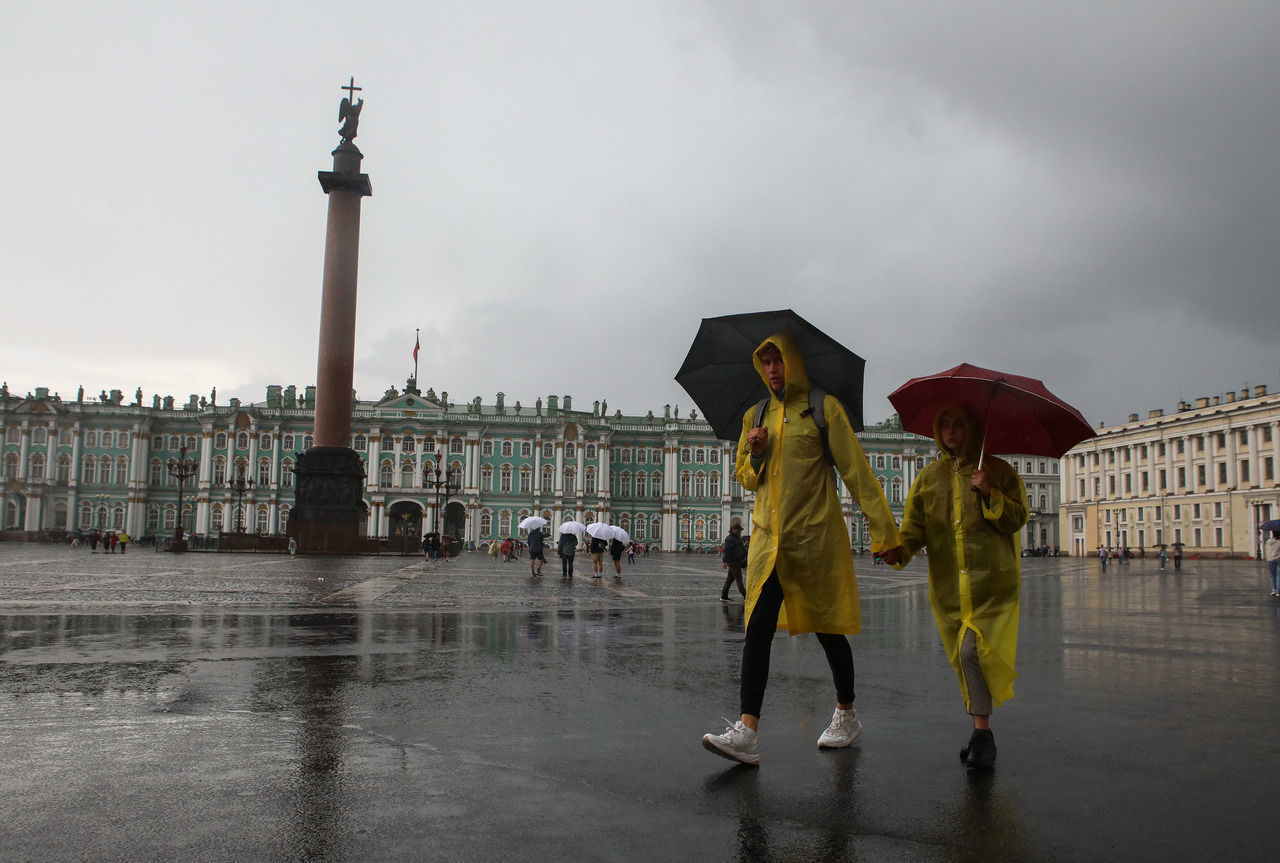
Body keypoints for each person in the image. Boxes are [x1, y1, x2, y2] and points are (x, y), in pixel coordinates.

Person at [701, 334, 903, 766]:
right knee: (756, 633)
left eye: (779, 361)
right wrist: (755, 454)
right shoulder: (756, 416)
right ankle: (747, 732)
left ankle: (846, 713)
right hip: (768, 545)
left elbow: (857, 472)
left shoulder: (823, 409)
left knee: (828, 630)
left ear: (793, 363)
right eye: (766, 362)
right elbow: (746, 477)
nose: (773, 369)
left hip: (813, 541)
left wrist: (885, 533)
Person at [895, 404, 1028, 770]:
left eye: (959, 425)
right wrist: (894, 551)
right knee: (963, 656)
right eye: (946, 426)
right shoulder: (929, 477)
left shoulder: (998, 471)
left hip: (992, 582)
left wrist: (990, 495)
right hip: (949, 587)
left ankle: (983, 734)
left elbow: (1017, 518)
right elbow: (913, 529)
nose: (952, 432)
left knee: (974, 652)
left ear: (972, 428)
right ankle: (979, 731)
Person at [720, 518, 747, 601]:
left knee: (729, 580)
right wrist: (725, 562)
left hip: (737, 562)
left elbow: (740, 549)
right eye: (739, 530)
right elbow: (726, 551)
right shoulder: (730, 539)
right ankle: (746, 596)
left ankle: (724, 596)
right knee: (739, 581)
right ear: (734, 530)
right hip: (734, 563)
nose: (740, 531)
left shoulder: (736, 538)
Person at [1265, 531, 1280, 597]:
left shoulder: (1268, 542)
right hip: (1278, 559)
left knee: (1272, 575)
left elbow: (1267, 551)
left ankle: (1273, 590)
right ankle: (1278, 591)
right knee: (1278, 575)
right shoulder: (1279, 542)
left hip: (1270, 559)